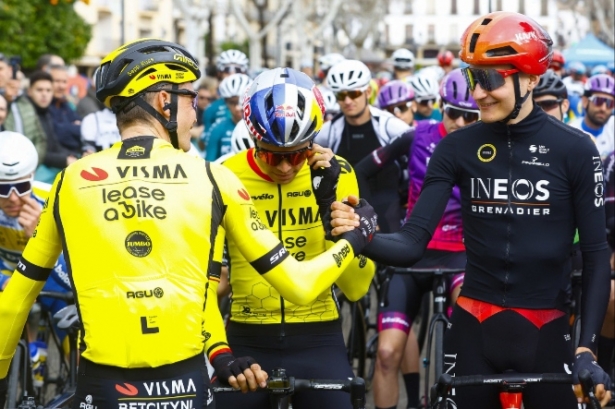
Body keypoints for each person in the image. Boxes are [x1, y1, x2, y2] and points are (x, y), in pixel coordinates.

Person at [0, 38, 378, 409]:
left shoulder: (72, 180)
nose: (196, 114)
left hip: (101, 388)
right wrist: (358, 236)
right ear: (165, 101)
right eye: (191, 100)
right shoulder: (213, 178)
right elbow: (299, 284)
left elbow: (13, 304)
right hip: (184, 386)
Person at [328, 11, 612, 408]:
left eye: (491, 79)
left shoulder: (576, 150)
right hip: (474, 329)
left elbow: (597, 256)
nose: (478, 93)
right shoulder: (456, 148)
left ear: (529, 78)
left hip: (547, 331)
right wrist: (359, 234)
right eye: (472, 78)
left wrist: (587, 349)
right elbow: (412, 243)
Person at [215, 67, 376, 409]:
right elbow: (206, 280)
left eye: (298, 155)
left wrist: (328, 205)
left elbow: (357, 286)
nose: (286, 168)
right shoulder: (226, 175)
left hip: (319, 335)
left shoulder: (338, 172)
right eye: (273, 155)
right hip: (248, 336)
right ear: (254, 138)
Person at [355, 69, 479, 409]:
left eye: (469, 116)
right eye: (452, 112)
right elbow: (363, 171)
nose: (459, 122)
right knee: (385, 352)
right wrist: (379, 226)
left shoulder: (487, 145)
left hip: (462, 256)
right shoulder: (417, 135)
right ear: (441, 107)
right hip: (415, 251)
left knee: (469, 342)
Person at [316, 59, 410, 233]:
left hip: (387, 205)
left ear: (367, 91)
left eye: (354, 93)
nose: (348, 101)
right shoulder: (329, 131)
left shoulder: (389, 125)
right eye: (341, 96)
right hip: (349, 209)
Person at [3, 71, 79, 183]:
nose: (44, 94)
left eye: (48, 90)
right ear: (29, 92)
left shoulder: (47, 112)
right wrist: (64, 160)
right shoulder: (23, 112)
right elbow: (34, 151)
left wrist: (73, 156)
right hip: (30, 172)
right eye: (39, 90)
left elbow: (54, 145)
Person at [204, 73, 252, 162]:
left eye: (242, 102)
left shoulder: (260, 129)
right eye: (233, 102)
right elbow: (209, 164)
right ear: (226, 103)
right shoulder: (217, 127)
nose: (238, 108)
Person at [568, 74, 614, 161]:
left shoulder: (612, 127)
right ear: (585, 101)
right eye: (598, 100)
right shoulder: (570, 132)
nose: (603, 108)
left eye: (609, 103)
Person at [202, 49, 250, 134]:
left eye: (237, 69)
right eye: (227, 69)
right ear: (219, 73)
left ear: (245, 72)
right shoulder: (211, 106)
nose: (233, 73)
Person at [48, 65, 82, 152]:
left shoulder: (65, 104)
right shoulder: (44, 106)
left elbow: (85, 128)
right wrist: (73, 126)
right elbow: (58, 135)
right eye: (57, 81)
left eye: (64, 82)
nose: (61, 86)